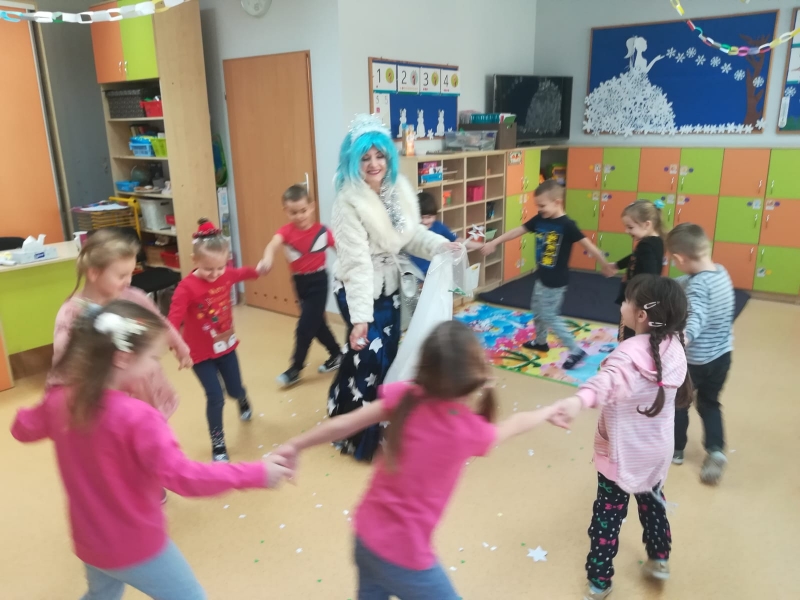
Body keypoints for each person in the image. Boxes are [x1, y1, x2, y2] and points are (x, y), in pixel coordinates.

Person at [11, 300, 294, 600]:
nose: (155, 366)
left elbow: (21, 429)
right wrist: (256, 473)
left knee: (102, 594)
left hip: (89, 541)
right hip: (135, 546)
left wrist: (56, 395)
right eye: (153, 358)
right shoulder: (139, 418)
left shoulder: (61, 401)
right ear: (122, 358)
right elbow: (185, 478)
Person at [281, 321, 558, 600]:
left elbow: (345, 423)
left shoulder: (407, 396)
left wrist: (295, 445)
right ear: (474, 377)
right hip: (406, 559)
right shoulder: (468, 430)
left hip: (364, 538)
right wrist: (550, 410)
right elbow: (515, 424)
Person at [548, 274, 692, 600]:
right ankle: (660, 558)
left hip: (620, 454)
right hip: (656, 452)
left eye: (626, 300)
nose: (621, 304)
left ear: (641, 314)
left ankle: (599, 581)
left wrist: (577, 401)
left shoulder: (627, 356)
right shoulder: (675, 343)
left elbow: (607, 382)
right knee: (653, 504)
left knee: (607, 518)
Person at [327, 114, 459, 461]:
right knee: (369, 359)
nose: (374, 164)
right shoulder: (348, 201)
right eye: (365, 158)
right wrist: (360, 318)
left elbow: (410, 236)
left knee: (382, 356)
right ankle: (356, 434)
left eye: (379, 156)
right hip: (357, 290)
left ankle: (354, 415)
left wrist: (440, 246)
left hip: (389, 286)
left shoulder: (395, 189)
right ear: (353, 161)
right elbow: (356, 264)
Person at [47, 228, 191, 419]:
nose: (128, 281)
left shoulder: (133, 296)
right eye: (122, 276)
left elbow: (159, 322)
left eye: (131, 273)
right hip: (108, 400)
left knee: (152, 428)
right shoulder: (71, 314)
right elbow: (65, 360)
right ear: (94, 273)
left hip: (145, 389)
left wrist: (180, 346)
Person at [482, 180, 611, 369]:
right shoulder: (540, 219)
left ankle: (575, 350)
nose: (539, 209)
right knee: (537, 309)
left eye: (542, 205)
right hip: (542, 277)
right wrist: (495, 242)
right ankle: (541, 342)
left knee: (549, 315)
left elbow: (588, 246)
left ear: (557, 202)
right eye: (538, 206)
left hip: (556, 281)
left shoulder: (567, 225)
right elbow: (517, 231)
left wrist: (605, 264)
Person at [168, 219, 261, 462]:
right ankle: (218, 442)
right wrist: (177, 347)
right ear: (194, 260)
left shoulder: (225, 274)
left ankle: (241, 397)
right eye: (209, 269)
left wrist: (259, 270)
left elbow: (240, 273)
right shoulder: (186, 288)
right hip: (199, 354)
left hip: (227, 348)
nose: (216, 274)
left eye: (220, 267)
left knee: (234, 389)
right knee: (215, 396)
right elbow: (173, 320)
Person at [666, 223, 734, 485]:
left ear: (680, 258)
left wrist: (674, 341)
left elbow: (696, 320)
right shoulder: (721, 272)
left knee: (679, 402)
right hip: (722, 357)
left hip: (695, 362)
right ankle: (716, 450)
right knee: (709, 403)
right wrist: (667, 284)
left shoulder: (698, 288)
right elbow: (688, 281)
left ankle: (676, 450)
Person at [259, 184, 341, 388]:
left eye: (303, 210)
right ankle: (337, 354)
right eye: (293, 212)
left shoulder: (323, 232)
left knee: (304, 327)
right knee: (316, 323)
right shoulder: (285, 232)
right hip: (299, 283)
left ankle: (295, 368)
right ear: (286, 211)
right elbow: (272, 245)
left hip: (319, 282)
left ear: (312, 207)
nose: (299, 216)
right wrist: (267, 258)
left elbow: (342, 250)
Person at [602, 199, 666, 341]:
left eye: (630, 227)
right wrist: (617, 265)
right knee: (639, 331)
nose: (627, 231)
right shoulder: (655, 242)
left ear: (647, 224)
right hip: (643, 299)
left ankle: (626, 351)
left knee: (627, 332)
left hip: (636, 299)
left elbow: (649, 275)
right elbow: (635, 256)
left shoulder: (646, 246)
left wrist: (636, 300)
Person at [411, 191, 483, 276]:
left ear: (435, 215)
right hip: (415, 274)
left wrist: (481, 246)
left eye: (429, 217)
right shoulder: (410, 230)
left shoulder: (438, 226)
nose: (424, 221)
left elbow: (457, 240)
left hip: (434, 272)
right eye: (421, 217)